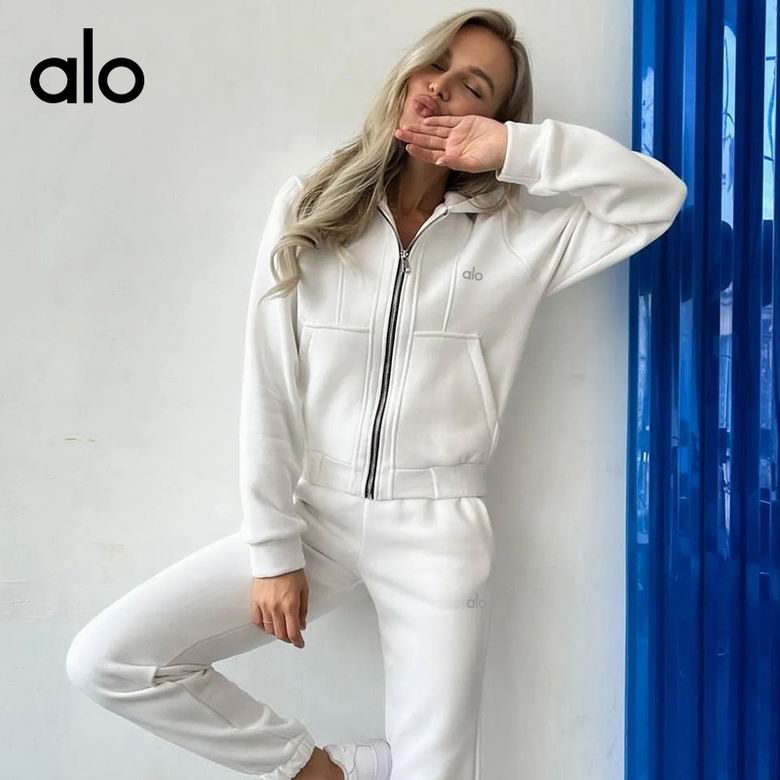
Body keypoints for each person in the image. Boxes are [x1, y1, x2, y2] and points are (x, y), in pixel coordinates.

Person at [64, 9, 687, 780]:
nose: (444, 88)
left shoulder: (518, 236)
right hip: (316, 515)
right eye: (438, 65)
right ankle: (325, 772)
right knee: (110, 659)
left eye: (476, 87)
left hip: (439, 531)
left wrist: (516, 151)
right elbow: (269, 383)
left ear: (495, 120)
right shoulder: (313, 203)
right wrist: (272, 548)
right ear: (409, 73)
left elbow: (655, 198)